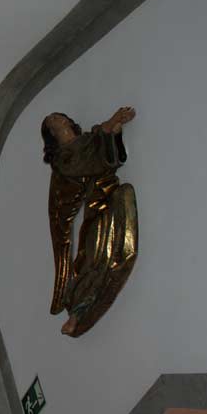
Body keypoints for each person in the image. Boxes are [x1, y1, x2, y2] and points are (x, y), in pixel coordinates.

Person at [42, 107, 138, 337]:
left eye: (58, 115)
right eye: (52, 121)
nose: (58, 119)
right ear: (51, 134)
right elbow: (85, 159)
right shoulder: (62, 159)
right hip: (95, 207)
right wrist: (109, 125)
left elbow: (107, 159)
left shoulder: (88, 141)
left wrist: (113, 132)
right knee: (94, 257)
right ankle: (76, 313)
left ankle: (107, 280)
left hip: (110, 195)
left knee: (125, 199)